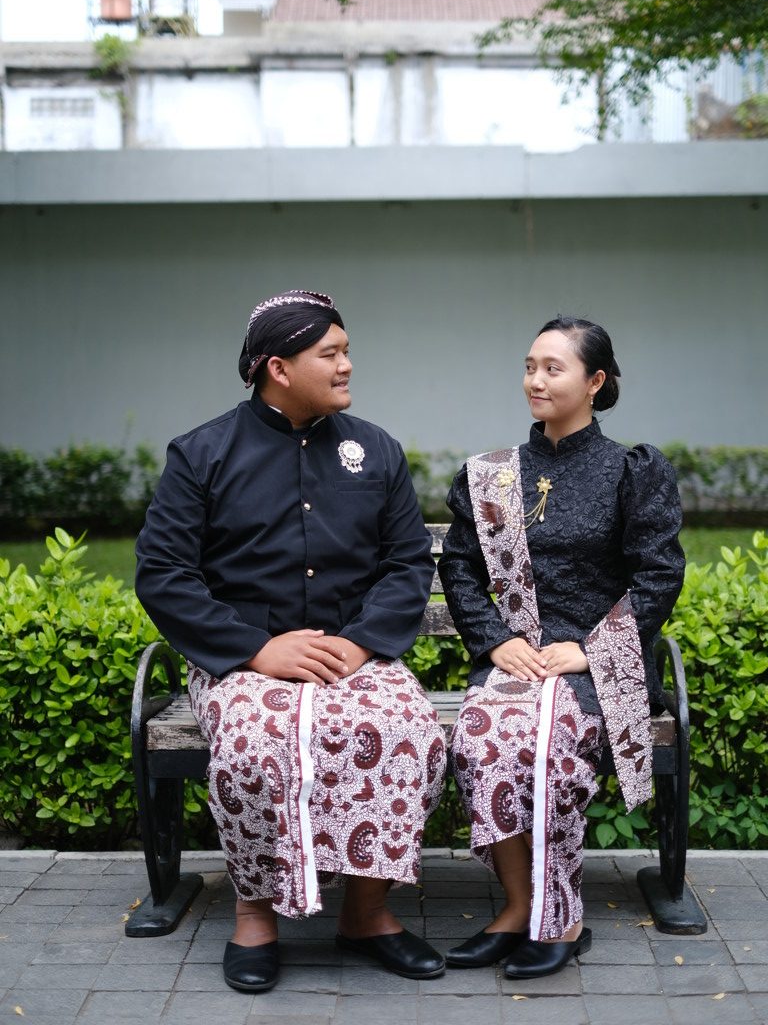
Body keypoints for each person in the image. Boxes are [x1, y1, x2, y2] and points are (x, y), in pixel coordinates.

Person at [135, 290, 447, 993]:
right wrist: (257, 650)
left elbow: (407, 563)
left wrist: (361, 644)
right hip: (242, 663)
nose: (347, 365)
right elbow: (163, 573)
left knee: (409, 730)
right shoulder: (202, 454)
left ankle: (366, 914)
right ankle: (255, 916)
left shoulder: (375, 449)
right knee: (254, 746)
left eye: (346, 351)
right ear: (278, 367)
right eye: (330, 353)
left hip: (353, 656)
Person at [437, 316, 685, 979]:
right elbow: (459, 566)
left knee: (549, 745)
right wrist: (496, 641)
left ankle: (563, 919)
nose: (535, 381)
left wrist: (591, 651)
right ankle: (520, 907)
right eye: (530, 367)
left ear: (595, 381)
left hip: (599, 665)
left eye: (553, 368)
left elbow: (659, 573)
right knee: (482, 737)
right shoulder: (493, 475)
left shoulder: (631, 471)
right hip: (519, 658)